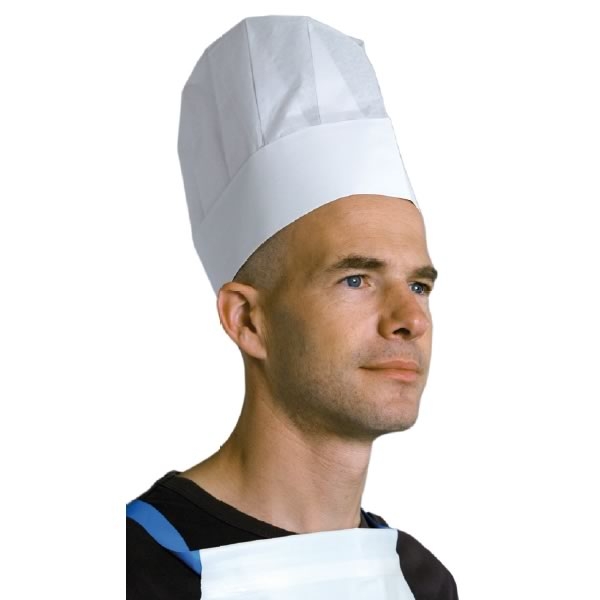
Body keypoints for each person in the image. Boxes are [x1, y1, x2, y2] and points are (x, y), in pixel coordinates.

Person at [127, 15, 459, 599]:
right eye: (356, 279)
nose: (410, 320)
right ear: (247, 320)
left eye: (418, 285)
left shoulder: (420, 579)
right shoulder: (133, 569)